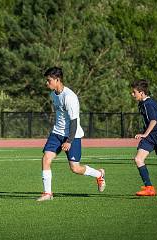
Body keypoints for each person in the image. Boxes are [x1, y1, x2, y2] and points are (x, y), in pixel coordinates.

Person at [36, 67, 106, 201]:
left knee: (75, 168)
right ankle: (47, 194)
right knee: (46, 159)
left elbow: (74, 122)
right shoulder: (53, 95)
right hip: (56, 133)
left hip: (72, 135)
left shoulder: (70, 97)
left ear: (57, 80)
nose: (46, 83)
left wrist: (68, 141)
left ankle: (98, 174)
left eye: (48, 80)